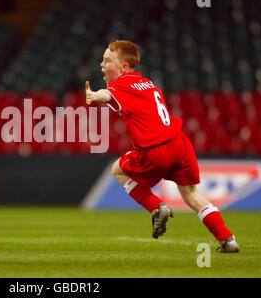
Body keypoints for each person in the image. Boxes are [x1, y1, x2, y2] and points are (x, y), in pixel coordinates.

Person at [85, 40, 239, 253]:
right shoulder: (147, 83)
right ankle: (228, 239)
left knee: (117, 169)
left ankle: (157, 207)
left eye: (107, 60)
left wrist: (94, 96)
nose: (102, 64)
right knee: (192, 195)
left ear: (124, 67)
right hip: (179, 143)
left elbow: (107, 94)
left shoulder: (120, 85)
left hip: (154, 149)